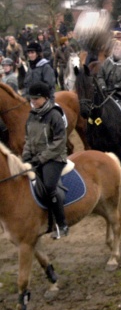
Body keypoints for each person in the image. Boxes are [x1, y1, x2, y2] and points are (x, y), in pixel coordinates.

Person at [22, 81, 68, 239]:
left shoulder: (54, 114)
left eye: (36, 99)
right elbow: (28, 138)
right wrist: (26, 156)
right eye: (31, 99)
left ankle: (62, 224)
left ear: (45, 98)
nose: (33, 101)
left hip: (54, 157)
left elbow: (60, 141)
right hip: (36, 157)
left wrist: (42, 158)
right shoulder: (32, 115)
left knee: (49, 187)